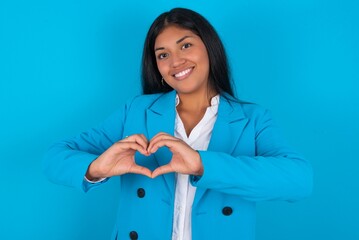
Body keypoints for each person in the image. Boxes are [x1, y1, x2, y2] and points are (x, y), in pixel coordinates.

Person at [44, 7, 313, 240]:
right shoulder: (136, 112)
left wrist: (201, 164)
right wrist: (96, 168)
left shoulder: (252, 120)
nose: (176, 61)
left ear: (209, 47)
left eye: (186, 45)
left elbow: (299, 180)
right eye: (163, 55)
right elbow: (54, 158)